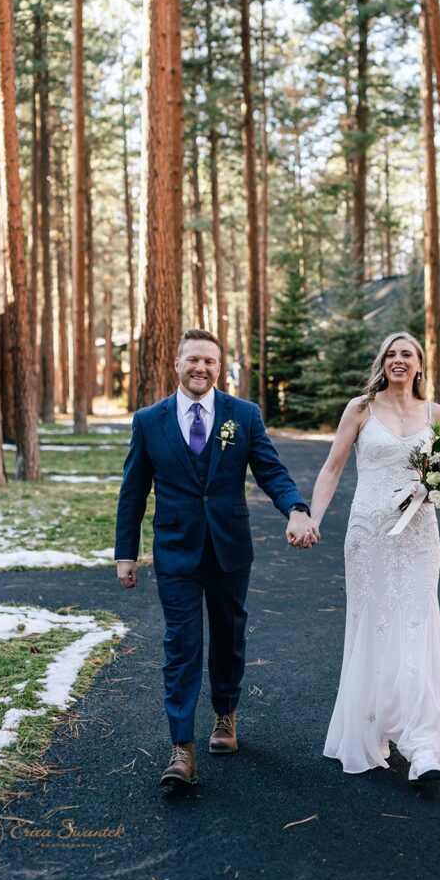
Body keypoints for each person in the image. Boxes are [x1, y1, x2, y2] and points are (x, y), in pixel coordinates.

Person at [115, 328, 319, 789]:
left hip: (229, 549)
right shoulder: (149, 420)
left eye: (209, 360)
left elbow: (271, 470)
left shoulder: (242, 416)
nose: (200, 368)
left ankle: (225, 715)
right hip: (175, 552)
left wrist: (297, 508)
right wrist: (125, 553)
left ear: (219, 366)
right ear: (177, 364)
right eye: (192, 360)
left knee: (228, 638)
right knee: (181, 646)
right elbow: (133, 492)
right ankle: (181, 747)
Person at [309, 331, 440, 782]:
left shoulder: (436, 414)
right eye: (391, 354)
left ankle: (422, 743)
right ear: (382, 363)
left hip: (419, 536)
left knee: (416, 625)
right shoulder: (361, 408)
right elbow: (332, 466)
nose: (398, 360)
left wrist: (437, 490)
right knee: (374, 626)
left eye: (407, 354)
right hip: (369, 534)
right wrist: (312, 518)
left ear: (421, 364)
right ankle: (373, 729)